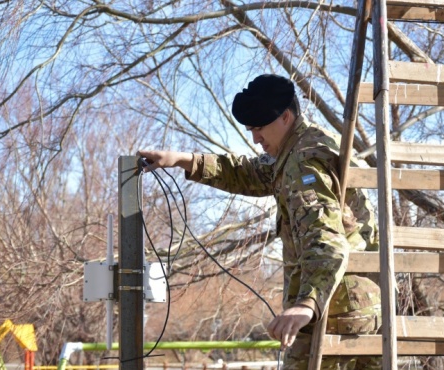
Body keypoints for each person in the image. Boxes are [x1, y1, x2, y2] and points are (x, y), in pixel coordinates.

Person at [139, 74, 381, 369]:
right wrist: (183, 160)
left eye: (259, 128)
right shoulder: (304, 145)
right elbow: (250, 172)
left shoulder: (303, 162)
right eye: (250, 130)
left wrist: (307, 304)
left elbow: (325, 238)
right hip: (352, 300)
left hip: (334, 308)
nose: (255, 138)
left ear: (285, 117)